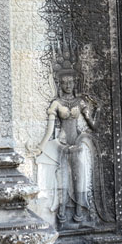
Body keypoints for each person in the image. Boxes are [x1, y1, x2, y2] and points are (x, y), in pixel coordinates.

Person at [35, 69, 98, 226]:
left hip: (77, 143)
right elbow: (49, 130)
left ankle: (79, 209)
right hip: (61, 145)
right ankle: (61, 210)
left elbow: (93, 126)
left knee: (79, 177)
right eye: (65, 83)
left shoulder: (80, 102)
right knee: (62, 178)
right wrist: (41, 146)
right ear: (60, 85)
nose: (68, 85)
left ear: (74, 83)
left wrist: (97, 108)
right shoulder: (56, 103)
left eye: (71, 82)